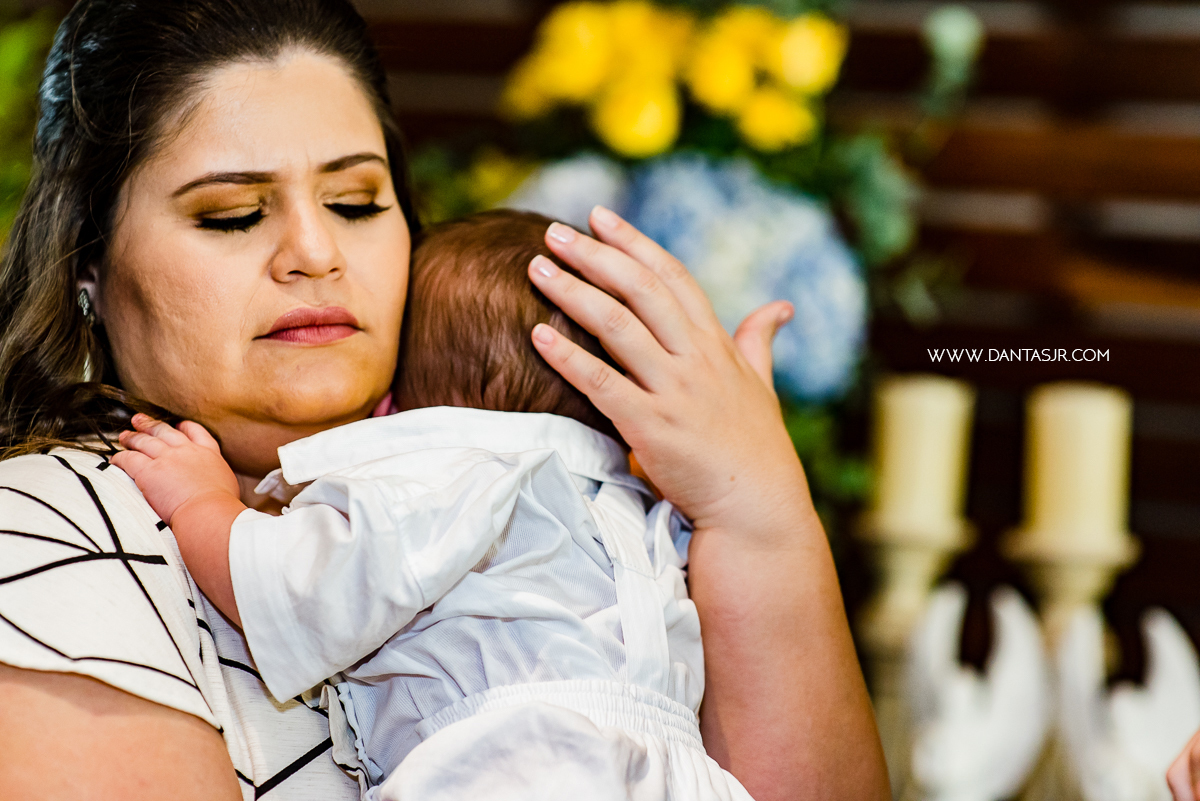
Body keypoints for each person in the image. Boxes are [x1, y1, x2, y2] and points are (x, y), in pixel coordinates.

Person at [0, 1, 887, 799]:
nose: (314, 251)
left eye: (354, 201)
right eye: (232, 215)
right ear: (88, 268)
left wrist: (760, 506)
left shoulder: (543, 480)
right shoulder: (57, 522)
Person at [114, 208, 754, 800]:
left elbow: (297, 591)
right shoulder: (639, 512)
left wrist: (200, 500)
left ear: (395, 402)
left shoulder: (447, 477)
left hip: (522, 768)